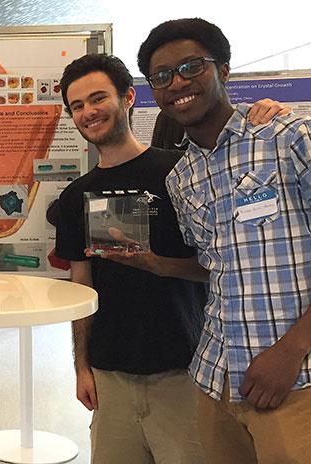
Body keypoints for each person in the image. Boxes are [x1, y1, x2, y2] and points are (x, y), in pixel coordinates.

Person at [137, 17, 311, 464]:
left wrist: (291, 350)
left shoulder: (293, 137)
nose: (177, 83)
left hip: (296, 376)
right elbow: (216, 264)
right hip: (215, 379)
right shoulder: (182, 177)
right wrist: (157, 264)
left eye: (191, 67)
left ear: (224, 70)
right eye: (162, 76)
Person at [56, 53, 208, 463]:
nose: (88, 112)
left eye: (97, 98)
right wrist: (82, 366)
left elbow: (219, 265)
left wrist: (157, 264)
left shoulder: (180, 173)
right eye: (77, 106)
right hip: (111, 374)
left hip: (183, 370)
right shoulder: (75, 197)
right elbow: (82, 285)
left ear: (127, 98)